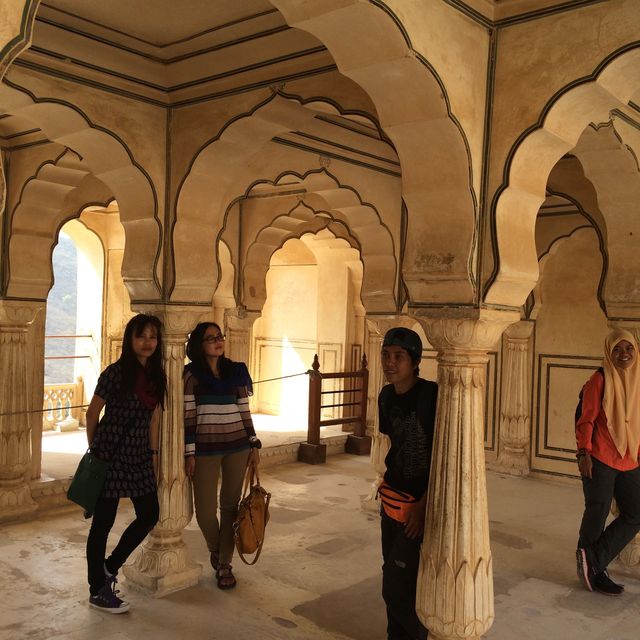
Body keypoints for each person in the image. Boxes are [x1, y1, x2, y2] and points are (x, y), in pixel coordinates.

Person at [84, 313, 166, 613]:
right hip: (112, 455)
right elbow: (92, 413)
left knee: (149, 514)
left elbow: (154, 418)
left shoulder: (157, 376)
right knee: (102, 524)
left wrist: (154, 455)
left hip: (140, 457)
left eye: (152, 337)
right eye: (141, 336)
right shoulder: (115, 373)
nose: (147, 342)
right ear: (130, 340)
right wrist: (96, 450)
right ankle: (97, 589)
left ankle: (109, 567)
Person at [184, 322, 261, 590]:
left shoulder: (236, 371)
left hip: (237, 447)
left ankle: (224, 563)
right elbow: (189, 417)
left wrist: (253, 444)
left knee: (230, 507)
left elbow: (244, 409)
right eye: (210, 338)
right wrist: (189, 453)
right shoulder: (191, 376)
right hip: (205, 450)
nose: (218, 341)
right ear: (198, 345)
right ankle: (217, 549)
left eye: (220, 337)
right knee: (205, 512)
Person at [377, 327, 437, 640]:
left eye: (398, 356)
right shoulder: (386, 396)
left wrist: (423, 506)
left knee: (396, 586)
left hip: (417, 506)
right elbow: (394, 445)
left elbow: (444, 459)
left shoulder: (430, 395)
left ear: (414, 361)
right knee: (394, 573)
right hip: (392, 502)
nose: (390, 362)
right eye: (386, 354)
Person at [576, 328, 640, 595]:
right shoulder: (599, 379)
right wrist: (583, 453)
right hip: (600, 456)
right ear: (608, 352)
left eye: (628, 349)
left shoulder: (639, 380)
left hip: (631, 459)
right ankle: (592, 568)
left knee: (635, 513)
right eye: (617, 349)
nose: (623, 354)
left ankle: (592, 559)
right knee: (597, 511)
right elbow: (586, 418)